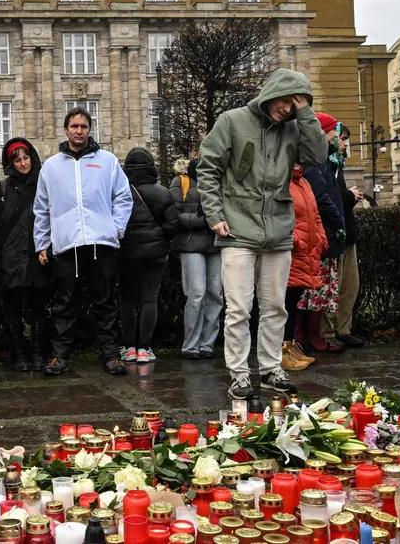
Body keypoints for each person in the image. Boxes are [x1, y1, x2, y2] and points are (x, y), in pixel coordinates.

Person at [196, 68, 327, 398]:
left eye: (295, 104)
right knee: (239, 308)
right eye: (285, 100)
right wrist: (215, 215)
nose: (287, 108)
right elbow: (207, 168)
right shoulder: (232, 121)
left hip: (278, 228)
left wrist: (306, 113)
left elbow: (318, 156)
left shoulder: (296, 127)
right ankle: (239, 373)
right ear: (270, 93)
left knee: (275, 308)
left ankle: (271, 369)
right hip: (237, 229)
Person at [34, 107, 133, 376]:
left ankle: (112, 355)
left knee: (106, 302)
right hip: (67, 245)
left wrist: (115, 230)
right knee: (64, 304)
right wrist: (42, 243)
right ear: (65, 130)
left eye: (84, 127)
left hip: (102, 243)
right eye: (74, 126)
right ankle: (59, 356)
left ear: (90, 130)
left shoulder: (108, 161)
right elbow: (42, 208)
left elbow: (123, 198)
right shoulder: (51, 167)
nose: (79, 131)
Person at [0, 137, 53, 371]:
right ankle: (20, 353)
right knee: (12, 311)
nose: (23, 164)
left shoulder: (44, 184)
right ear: (10, 164)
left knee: (38, 310)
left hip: (37, 257)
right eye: (18, 160)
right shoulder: (2, 189)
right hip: (11, 258)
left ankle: (37, 352)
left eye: (26, 158)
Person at [116, 147, 178, 363]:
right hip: (155, 256)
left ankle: (128, 348)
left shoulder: (119, 192)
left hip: (125, 254)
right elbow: (172, 226)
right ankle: (144, 349)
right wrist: (159, 238)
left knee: (126, 301)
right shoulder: (162, 192)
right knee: (149, 299)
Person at [297, 113, 347, 354]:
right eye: (334, 136)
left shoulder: (325, 163)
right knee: (315, 289)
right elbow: (321, 198)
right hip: (320, 236)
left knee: (318, 289)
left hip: (322, 234)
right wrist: (338, 222)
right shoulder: (316, 164)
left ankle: (309, 337)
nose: (338, 141)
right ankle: (310, 338)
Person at [167, 157, 222, 360]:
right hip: (190, 244)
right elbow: (173, 214)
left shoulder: (220, 178)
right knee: (196, 293)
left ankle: (207, 344)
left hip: (216, 243)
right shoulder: (182, 180)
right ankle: (190, 345)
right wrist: (203, 220)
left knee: (215, 294)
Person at [320, 124, 366, 348]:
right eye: (341, 138)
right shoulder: (323, 164)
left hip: (347, 232)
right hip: (333, 234)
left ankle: (343, 328)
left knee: (350, 285)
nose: (346, 143)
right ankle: (328, 332)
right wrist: (350, 195)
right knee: (332, 286)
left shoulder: (338, 164)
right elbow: (325, 196)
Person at [283, 165, 326, 371]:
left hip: (306, 252)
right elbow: (279, 216)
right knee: (284, 303)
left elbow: (314, 214)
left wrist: (320, 239)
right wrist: (296, 241)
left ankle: (289, 347)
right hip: (292, 253)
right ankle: (282, 350)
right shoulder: (282, 180)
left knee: (293, 303)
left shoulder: (304, 183)